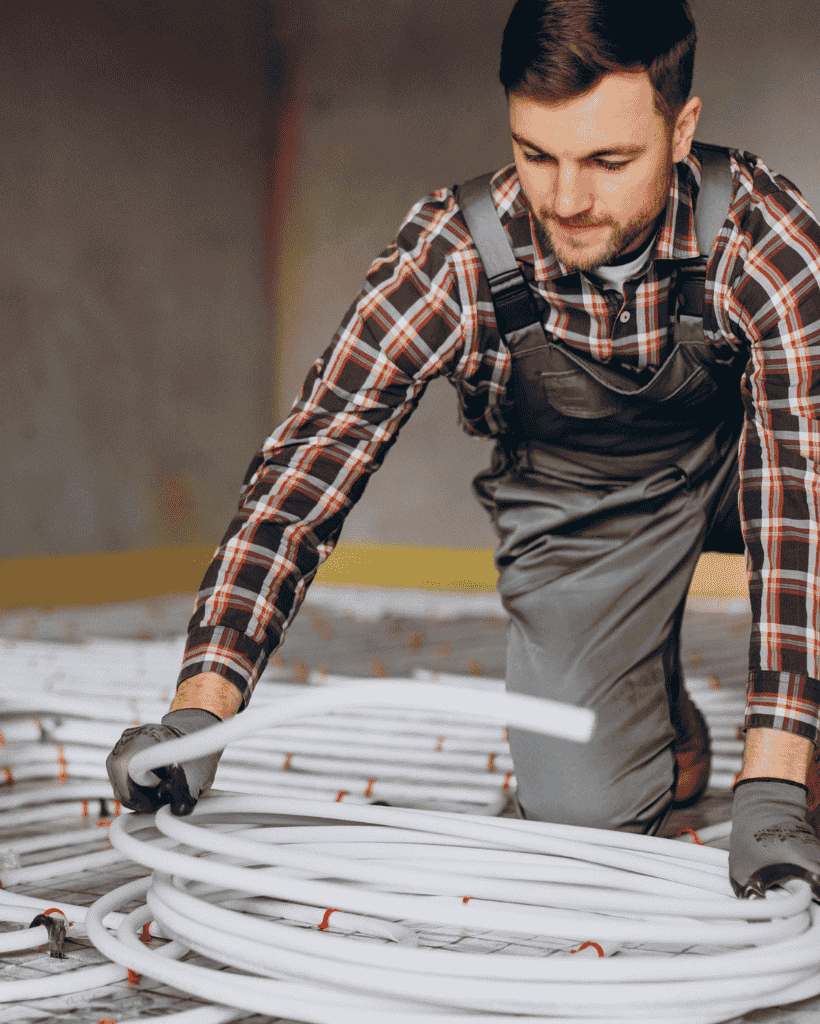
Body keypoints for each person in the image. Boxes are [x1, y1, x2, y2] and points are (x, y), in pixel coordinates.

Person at [107, 0, 820, 899]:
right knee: (580, 818)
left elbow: (802, 496)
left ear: (682, 131)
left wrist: (775, 780)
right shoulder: (453, 254)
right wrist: (195, 715)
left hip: (754, 470)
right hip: (586, 510)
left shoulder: (763, 236)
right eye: (537, 155)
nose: (565, 201)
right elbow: (308, 469)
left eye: (608, 160)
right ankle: (658, 718)